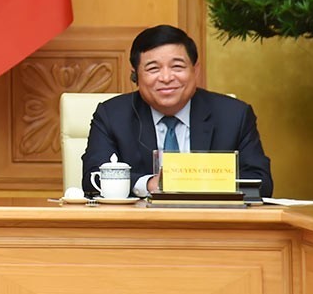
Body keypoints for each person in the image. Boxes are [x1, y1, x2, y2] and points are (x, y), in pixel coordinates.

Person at [80, 24, 273, 197]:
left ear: (195, 70)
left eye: (177, 67)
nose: (166, 78)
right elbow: (92, 179)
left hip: (212, 222)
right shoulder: (112, 116)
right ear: (135, 75)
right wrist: (148, 184)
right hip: (140, 223)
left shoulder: (234, 116)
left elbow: (261, 183)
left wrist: (197, 182)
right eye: (153, 69)